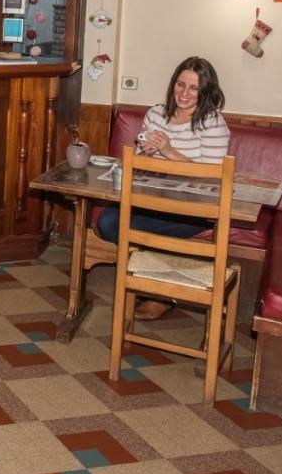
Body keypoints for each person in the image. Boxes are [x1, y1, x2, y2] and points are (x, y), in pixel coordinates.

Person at [95, 56, 231, 319]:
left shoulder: (213, 124)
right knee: (109, 222)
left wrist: (168, 150)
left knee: (129, 227)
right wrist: (144, 154)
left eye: (194, 88)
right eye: (181, 84)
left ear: (206, 92)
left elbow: (212, 178)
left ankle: (154, 288)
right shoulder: (156, 113)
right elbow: (139, 164)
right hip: (151, 198)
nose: (184, 93)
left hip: (193, 209)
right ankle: (159, 280)